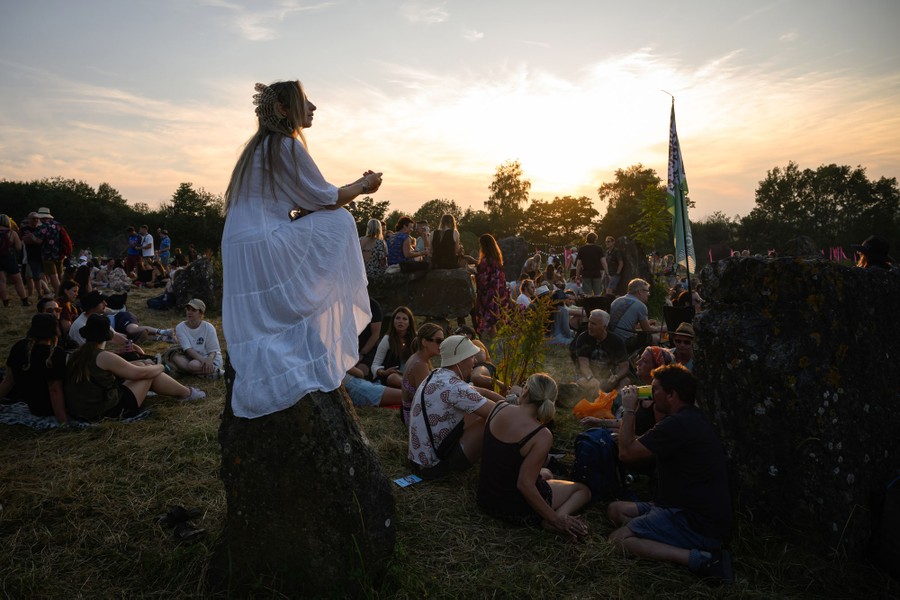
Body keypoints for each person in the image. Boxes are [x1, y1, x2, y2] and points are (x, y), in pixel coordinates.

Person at [222, 79, 382, 419]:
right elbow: (327, 198)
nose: (313, 108)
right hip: (264, 242)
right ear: (284, 110)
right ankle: (319, 306)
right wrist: (364, 185)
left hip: (239, 246)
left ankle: (304, 319)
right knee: (341, 221)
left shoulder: (255, 150)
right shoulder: (285, 146)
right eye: (305, 102)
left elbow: (303, 201)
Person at [608, 365, 734, 585]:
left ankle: (701, 559)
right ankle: (665, 537)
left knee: (617, 540)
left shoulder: (678, 424)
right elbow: (648, 442)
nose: (650, 393)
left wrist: (629, 409)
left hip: (694, 521)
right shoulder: (691, 418)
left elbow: (626, 453)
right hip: (676, 506)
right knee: (615, 510)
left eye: (655, 389)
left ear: (672, 395)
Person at [477, 373, 590, 540]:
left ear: (525, 391)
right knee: (583, 490)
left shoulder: (498, 407)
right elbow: (524, 484)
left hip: (485, 499)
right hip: (515, 510)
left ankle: (552, 513)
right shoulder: (541, 434)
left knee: (545, 474)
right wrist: (554, 519)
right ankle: (557, 519)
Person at [65, 315, 205, 421]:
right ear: (106, 337)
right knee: (149, 373)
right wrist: (159, 366)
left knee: (143, 366)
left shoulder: (78, 354)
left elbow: (122, 370)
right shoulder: (103, 356)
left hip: (84, 409)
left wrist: (145, 364)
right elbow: (140, 374)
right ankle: (187, 393)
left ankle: (185, 392)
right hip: (107, 411)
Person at [408, 335, 498, 478]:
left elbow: (477, 391)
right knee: (492, 420)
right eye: (471, 357)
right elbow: (499, 413)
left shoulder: (437, 375)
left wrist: (504, 399)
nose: (474, 361)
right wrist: (514, 405)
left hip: (419, 461)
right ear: (460, 360)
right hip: (435, 467)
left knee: (477, 410)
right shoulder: (456, 388)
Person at [0, 314, 68, 423]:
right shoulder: (56, 354)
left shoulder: (19, 347)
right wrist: (63, 422)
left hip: (32, 404)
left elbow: (8, 381)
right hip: (48, 408)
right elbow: (55, 389)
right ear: (55, 329)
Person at [571, 309, 629, 397]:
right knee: (580, 382)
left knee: (626, 381)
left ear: (604, 327)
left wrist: (616, 376)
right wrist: (591, 378)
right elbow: (583, 364)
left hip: (608, 379)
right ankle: (602, 396)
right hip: (589, 378)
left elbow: (624, 366)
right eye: (589, 322)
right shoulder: (583, 338)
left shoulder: (616, 341)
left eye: (594, 324)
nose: (590, 326)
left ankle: (613, 397)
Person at [399, 323, 443, 426]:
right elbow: (427, 401)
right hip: (414, 420)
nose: (441, 345)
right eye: (438, 341)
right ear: (424, 342)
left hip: (408, 413)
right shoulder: (420, 365)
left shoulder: (416, 357)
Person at [166, 299, 223, 377]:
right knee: (175, 357)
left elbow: (213, 351)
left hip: (211, 358)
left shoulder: (209, 327)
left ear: (200, 313)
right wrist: (203, 360)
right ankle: (210, 373)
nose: (189, 312)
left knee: (193, 365)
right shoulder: (180, 327)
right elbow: (188, 349)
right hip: (192, 357)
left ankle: (213, 370)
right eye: (188, 309)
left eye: (193, 310)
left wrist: (208, 360)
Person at [608, 278, 661, 352]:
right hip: (625, 342)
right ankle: (651, 361)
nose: (648, 294)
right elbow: (647, 330)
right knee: (655, 338)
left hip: (610, 340)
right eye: (647, 291)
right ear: (640, 291)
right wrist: (662, 328)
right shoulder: (640, 306)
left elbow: (623, 324)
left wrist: (645, 323)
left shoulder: (617, 300)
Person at [475, 233, 512, 337]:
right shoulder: (497, 260)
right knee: (498, 318)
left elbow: (483, 279)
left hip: (489, 294)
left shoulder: (485, 261)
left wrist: (474, 271)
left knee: (490, 320)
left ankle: (492, 341)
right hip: (500, 293)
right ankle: (500, 340)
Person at [370, 306, 416, 388]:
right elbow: (375, 365)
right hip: (392, 378)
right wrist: (384, 372)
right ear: (393, 321)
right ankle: (411, 390)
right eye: (397, 318)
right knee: (393, 378)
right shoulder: (387, 339)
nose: (400, 321)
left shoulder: (415, 339)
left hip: (410, 377)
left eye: (404, 319)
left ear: (410, 323)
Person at [0, 214, 30, 306]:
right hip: (9, 258)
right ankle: (24, 300)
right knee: (18, 280)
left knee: (1, 281)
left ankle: (5, 302)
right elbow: (18, 247)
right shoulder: (12, 233)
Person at [576, 232, 607, 297]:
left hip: (586, 274)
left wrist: (577, 275)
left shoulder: (582, 249)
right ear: (595, 240)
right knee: (597, 294)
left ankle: (588, 306)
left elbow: (578, 264)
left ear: (587, 239)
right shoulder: (599, 249)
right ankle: (597, 306)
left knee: (587, 294)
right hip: (597, 274)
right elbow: (603, 262)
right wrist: (607, 272)